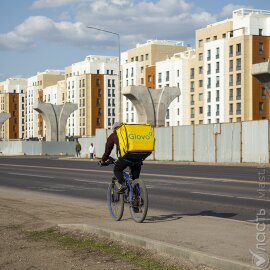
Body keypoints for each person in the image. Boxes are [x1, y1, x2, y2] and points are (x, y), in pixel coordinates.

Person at [100, 122, 142, 193]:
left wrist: (103, 160)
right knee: (135, 179)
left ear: (114, 129)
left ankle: (123, 184)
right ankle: (138, 198)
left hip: (126, 158)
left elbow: (108, 149)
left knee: (117, 170)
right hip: (138, 158)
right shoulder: (130, 133)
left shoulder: (114, 135)